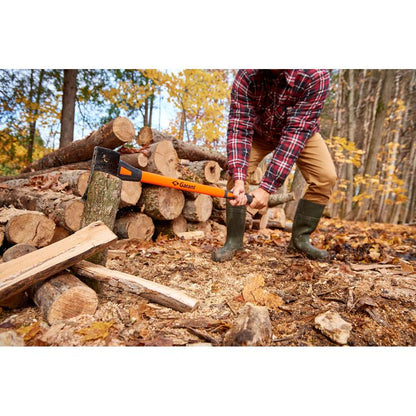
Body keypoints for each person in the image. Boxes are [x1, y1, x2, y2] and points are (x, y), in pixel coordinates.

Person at [212, 69, 337, 262]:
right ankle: (234, 241)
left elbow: (294, 135)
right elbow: (239, 125)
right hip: (259, 133)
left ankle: (299, 242)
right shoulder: (248, 74)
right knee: (236, 172)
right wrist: (238, 179)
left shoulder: (315, 75)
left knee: (325, 178)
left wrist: (266, 187)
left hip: (301, 134)